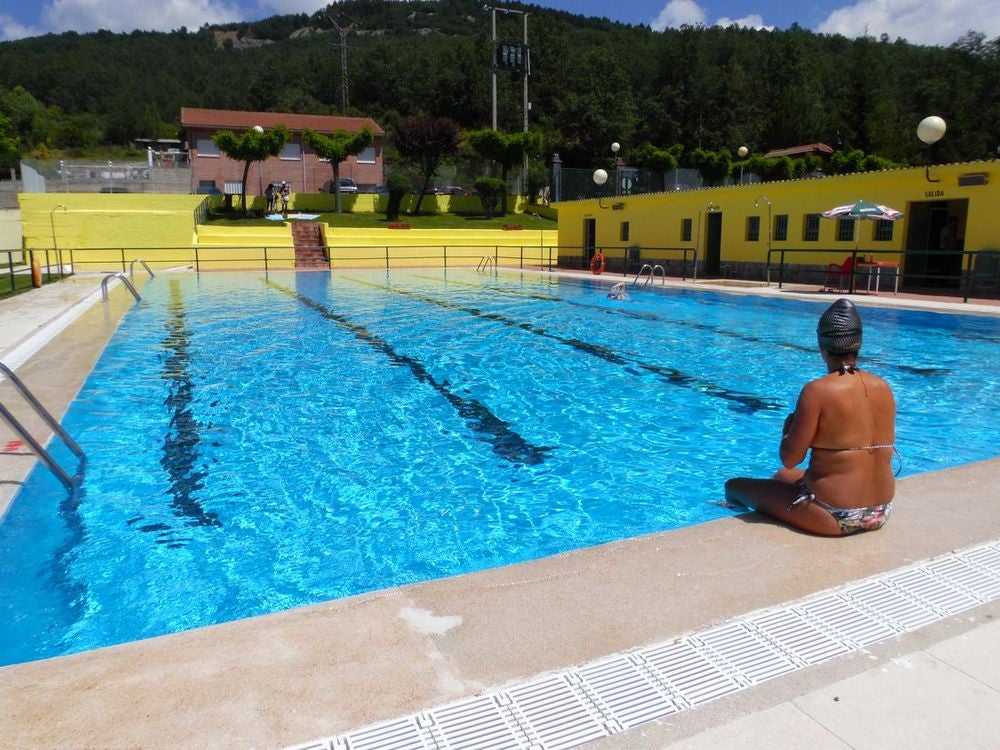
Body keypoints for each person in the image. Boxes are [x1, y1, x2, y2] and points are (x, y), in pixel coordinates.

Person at [725, 298, 897, 536]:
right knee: (781, 478)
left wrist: (787, 432)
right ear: (858, 345)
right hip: (880, 511)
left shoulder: (817, 391)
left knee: (733, 486)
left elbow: (790, 459)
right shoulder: (884, 387)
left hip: (833, 514)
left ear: (822, 348)